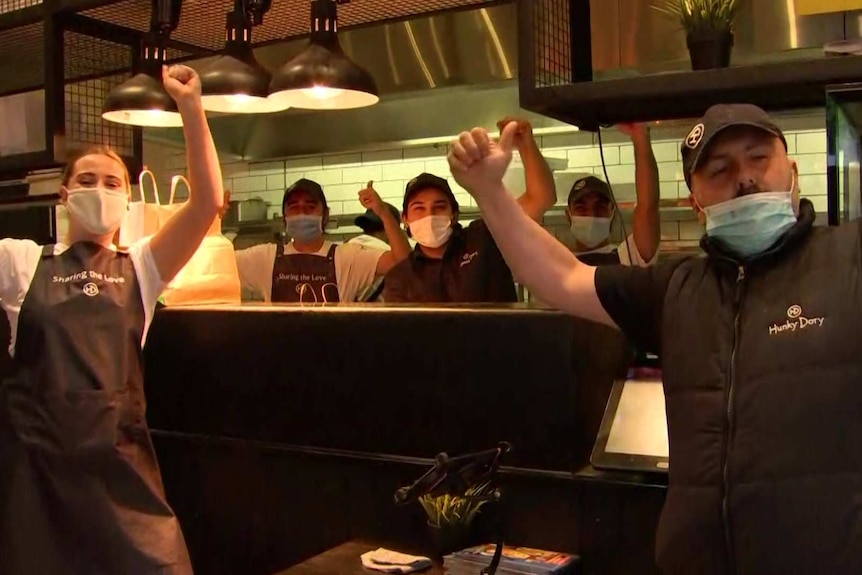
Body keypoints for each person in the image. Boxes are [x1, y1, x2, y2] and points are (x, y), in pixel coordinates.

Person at [447, 103, 862, 575]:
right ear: (695, 202)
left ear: (792, 170)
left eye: (758, 158)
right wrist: (488, 190)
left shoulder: (850, 260)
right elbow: (559, 278)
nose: (744, 179)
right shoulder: (675, 289)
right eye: (720, 169)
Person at [0, 64, 223, 574]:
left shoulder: (142, 266)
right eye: (86, 179)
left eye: (111, 182)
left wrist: (191, 107)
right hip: (39, 487)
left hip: (124, 483)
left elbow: (208, 201)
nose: (99, 189)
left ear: (127, 198)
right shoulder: (18, 262)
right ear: (64, 193)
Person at [383, 117, 556, 303]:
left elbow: (540, 199)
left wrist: (525, 144)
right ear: (405, 218)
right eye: (419, 208)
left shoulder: (485, 236)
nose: (430, 215)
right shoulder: (399, 278)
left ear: (454, 215)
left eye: (439, 206)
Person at [235, 178, 410, 303]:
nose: (302, 213)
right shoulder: (265, 258)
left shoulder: (348, 258)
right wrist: (212, 220)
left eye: (310, 207)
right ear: (284, 217)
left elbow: (404, 264)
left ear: (325, 215)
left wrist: (383, 213)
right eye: (294, 207)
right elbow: (212, 263)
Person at [566, 124, 660, 267]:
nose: (591, 215)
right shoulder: (556, 263)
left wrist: (640, 136)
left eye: (600, 208)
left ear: (613, 213)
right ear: (568, 215)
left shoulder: (629, 256)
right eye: (581, 208)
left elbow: (648, 206)